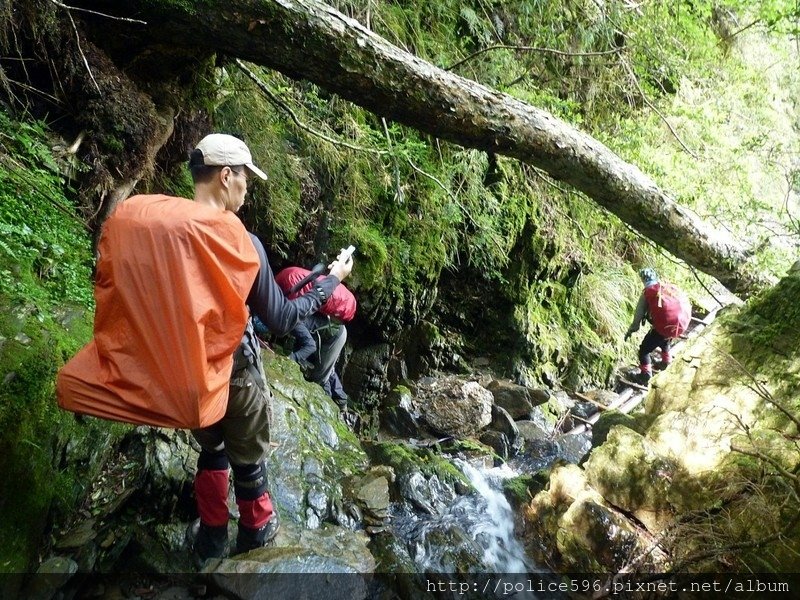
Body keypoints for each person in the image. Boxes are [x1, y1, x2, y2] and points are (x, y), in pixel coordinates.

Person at [185, 134, 353, 565]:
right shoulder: (244, 243)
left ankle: (211, 537)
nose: (247, 188)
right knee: (248, 456)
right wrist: (330, 281)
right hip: (235, 370)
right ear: (226, 177)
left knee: (211, 449)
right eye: (244, 179)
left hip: (188, 369)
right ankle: (256, 536)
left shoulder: (174, 231)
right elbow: (281, 318)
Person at [624, 267, 690, 385]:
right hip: (679, 325)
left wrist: (632, 329)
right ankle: (666, 361)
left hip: (663, 327)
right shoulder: (667, 288)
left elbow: (638, 315)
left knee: (644, 350)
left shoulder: (648, 293)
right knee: (665, 338)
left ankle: (645, 375)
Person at [289, 313, 349, 407]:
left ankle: (328, 407)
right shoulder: (296, 315)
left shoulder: (296, 323)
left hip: (336, 336)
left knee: (320, 376)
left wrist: (291, 358)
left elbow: (311, 346)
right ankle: (340, 398)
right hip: (332, 330)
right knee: (327, 368)